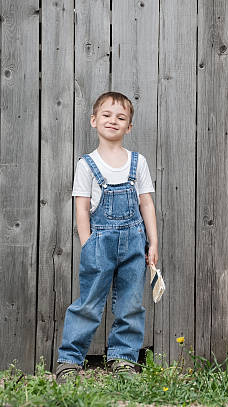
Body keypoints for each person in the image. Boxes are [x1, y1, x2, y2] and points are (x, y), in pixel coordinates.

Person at [55, 92, 158, 383]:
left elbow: (146, 203)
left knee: (130, 303)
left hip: (135, 242)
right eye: (107, 115)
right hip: (99, 243)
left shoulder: (138, 163)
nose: (113, 120)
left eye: (121, 117)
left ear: (129, 127)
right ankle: (69, 361)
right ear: (93, 120)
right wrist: (87, 243)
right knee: (88, 303)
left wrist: (153, 242)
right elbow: (82, 207)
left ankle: (123, 358)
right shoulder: (87, 164)